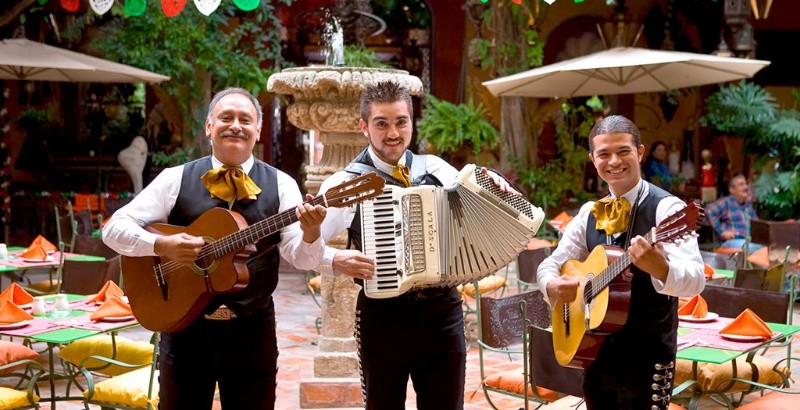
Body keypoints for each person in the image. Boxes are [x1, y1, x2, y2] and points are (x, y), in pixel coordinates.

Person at [102, 87, 327, 410]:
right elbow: (114, 229)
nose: (236, 125)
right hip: (184, 329)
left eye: (245, 119)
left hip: (252, 330)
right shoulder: (175, 179)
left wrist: (311, 231)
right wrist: (162, 244)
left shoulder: (282, 184)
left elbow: (301, 257)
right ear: (209, 127)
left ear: (257, 131)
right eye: (226, 117)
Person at [313, 81, 516, 409]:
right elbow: (302, 247)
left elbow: (474, 198)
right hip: (382, 317)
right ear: (363, 127)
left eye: (401, 122)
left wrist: (490, 183)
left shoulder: (435, 168)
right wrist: (336, 260)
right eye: (381, 123)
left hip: (442, 313)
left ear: (411, 122)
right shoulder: (345, 183)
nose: (393, 133)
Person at [536, 115, 705, 410]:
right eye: (604, 154)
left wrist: (660, 269)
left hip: (647, 356)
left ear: (639, 152)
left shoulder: (667, 209)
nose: (614, 161)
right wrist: (551, 285)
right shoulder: (590, 212)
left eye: (623, 150)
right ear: (593, 159)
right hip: (594, 354)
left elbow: (695, 281)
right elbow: (552, 264)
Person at [705, 173, 763, 252]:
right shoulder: (727, 202)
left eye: (746, 184)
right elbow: (709, 210)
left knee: (765, 248)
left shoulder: (748, 206)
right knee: (754, 248)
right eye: (741, 185)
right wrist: (722, 231)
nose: (745, 187)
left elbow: (757, 224)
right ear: (732, 190)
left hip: (749, 242)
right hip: (732, 241)